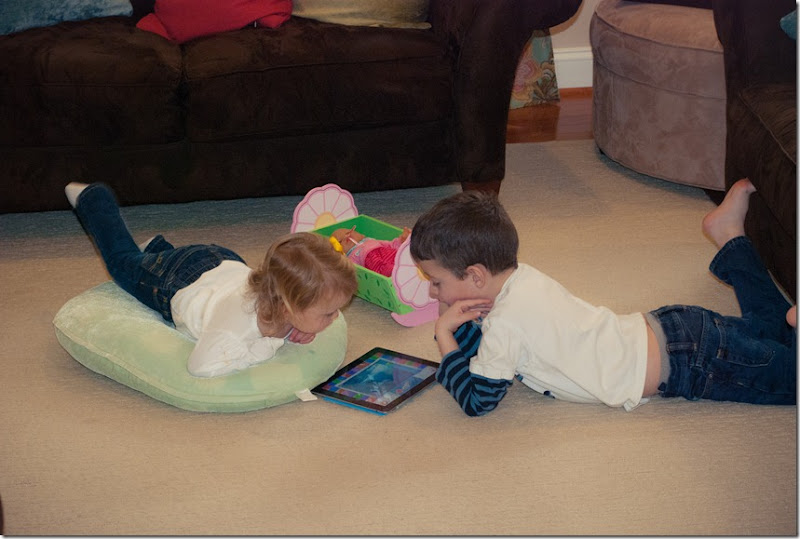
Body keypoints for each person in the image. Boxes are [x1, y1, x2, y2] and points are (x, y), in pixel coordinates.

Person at [409, 179, 797, 416]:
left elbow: (477, 399)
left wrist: (445, 335)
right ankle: (730, 237)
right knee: (771, 330)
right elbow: (482, 358)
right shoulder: (520, 279)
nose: (431, 291)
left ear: (476, 276)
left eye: (436, 282)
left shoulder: (505, 326)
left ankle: (735, 244)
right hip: (675, 329)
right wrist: (456, 317)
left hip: (690, 363)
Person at [65, 182, 358, 378]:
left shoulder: (281, 298)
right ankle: (93, 197)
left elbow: (290, 316)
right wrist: (265, 348)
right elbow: (200, 367)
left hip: (222, 261)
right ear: (287, 306)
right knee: (121, 262)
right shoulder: (235, 329)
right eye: (328, 313)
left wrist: (297, 328)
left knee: (161, 261)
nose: (334, 318)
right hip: (175, 282)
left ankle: (157, 250)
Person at [330, 226, 411, 277]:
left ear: (361, 235)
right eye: (340, 241)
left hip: (395, 256)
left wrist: (402, 241)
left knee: (406, 252)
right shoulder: (351, 256)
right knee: (380, 267)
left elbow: (391, 245)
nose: (347, 237)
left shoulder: (370, 241)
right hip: (374, 262)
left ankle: (407, 263)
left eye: (348, 232)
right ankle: (398, 271)